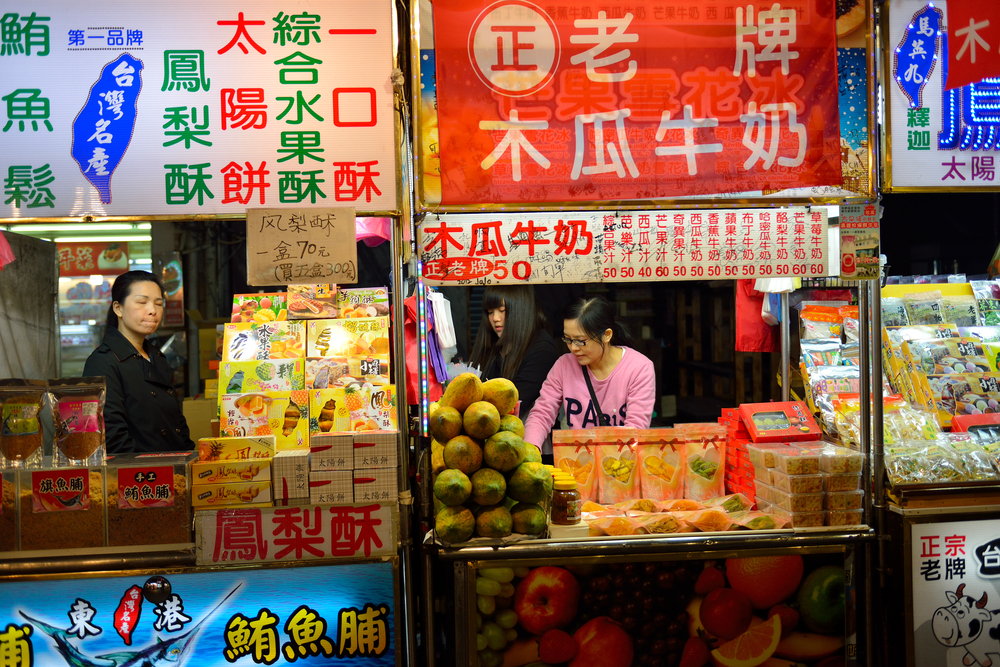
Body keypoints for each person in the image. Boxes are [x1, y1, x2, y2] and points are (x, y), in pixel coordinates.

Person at [523, 296, 656, 451]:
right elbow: (542, 414)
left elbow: (636, 428)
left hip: (620, 464)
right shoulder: (563, 365)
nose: (573, 348)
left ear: (606, 335)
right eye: (568, 339)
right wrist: (531, 451)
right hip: (578, 463)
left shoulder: (639, 368)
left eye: (580, 340)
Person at [84, 271, 194, 454]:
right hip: (138, 475)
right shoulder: (102, 362)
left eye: (158, 304)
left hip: (174, 468)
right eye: (142, 302)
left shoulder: (157, 357)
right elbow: (112, 436)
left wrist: (188, 456)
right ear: (118, 308)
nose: (152, 310)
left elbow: (176, 422)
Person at [469, 285, 561, 420]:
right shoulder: (492, 344)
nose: (495, 318)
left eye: (502, 310)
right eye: (490, 312)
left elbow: (514, 404)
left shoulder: (542, 350)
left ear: (520, 310)